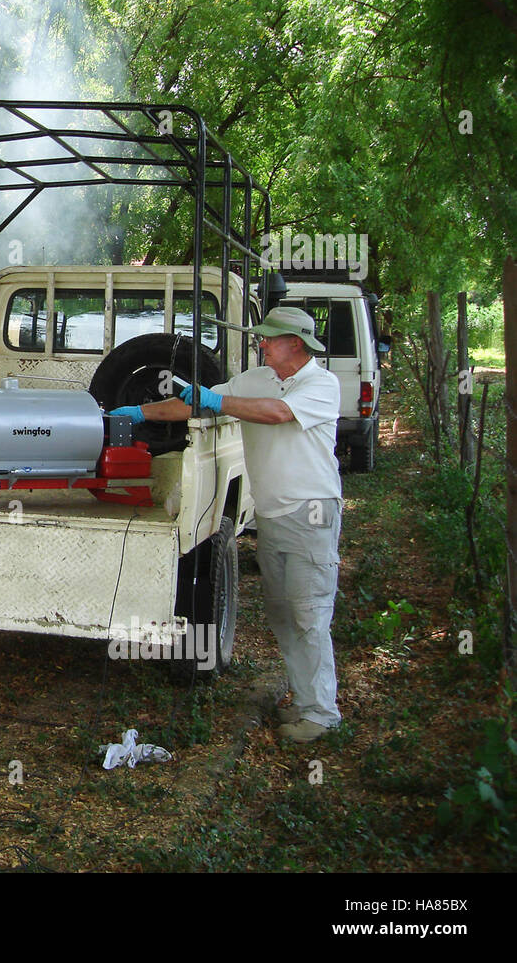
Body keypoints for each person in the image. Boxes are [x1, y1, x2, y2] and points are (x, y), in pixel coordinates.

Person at [109, 306, 343, 744]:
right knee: (283, 613)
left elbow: (277, 413)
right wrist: (139, 412)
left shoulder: (321, 385)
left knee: (308, 613)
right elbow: (190, 402)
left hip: (310, 514)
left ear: (295, 343)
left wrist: (218, 401)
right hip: (273, 516)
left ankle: (321, 713)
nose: (261, 343)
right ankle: (305, 696)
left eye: (269, 339)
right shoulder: (255, 380)